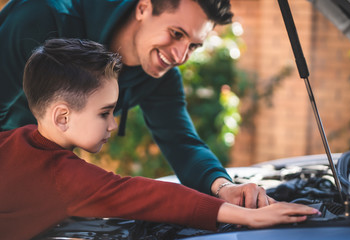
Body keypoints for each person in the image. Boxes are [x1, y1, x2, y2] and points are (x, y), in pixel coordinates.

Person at [0, 38, 319, 240]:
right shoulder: (64, 176)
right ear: (62, 117)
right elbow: (147, 195)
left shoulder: (13, 141)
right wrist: (249, 216)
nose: (113, 125)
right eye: (105, 113)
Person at [0, 0, 268, 206]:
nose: (180, 56)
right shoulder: (44, 17)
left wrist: (225, 188)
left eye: (194, 46)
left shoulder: (159, 76)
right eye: (176, 34)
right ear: (143, 8)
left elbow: (182, 143)